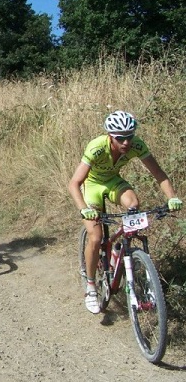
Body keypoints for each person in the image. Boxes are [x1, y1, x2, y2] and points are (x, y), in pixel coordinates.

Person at [68, 110, 182, 314]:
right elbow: (74, 183)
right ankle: (92, 286)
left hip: (112, 182)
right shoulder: (96, 147)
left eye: (129, 136)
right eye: (120, 138)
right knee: (95, 237)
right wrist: (84, 209)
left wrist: (171, 197)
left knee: (133, 204)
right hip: (92, 186)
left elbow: (159, 174)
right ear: (110, 136)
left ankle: (118, 248)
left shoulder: (137, 145)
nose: (126, 142)